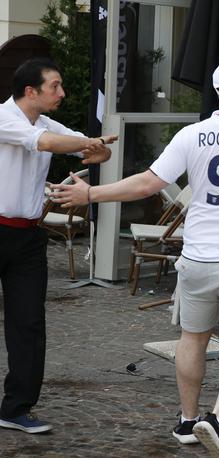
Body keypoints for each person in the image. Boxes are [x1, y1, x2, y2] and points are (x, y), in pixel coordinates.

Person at [51, 55, 219, 456]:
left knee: (192, 339)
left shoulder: (192, 135)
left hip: (197, 258)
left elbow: (148, 183)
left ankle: (187, 420)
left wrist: (91, 193)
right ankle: (217, 420)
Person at [0, 58, 116, 434]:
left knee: (29, 323)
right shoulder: (4, 118)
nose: (62, 93)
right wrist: (89, 143)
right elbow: (49, 144)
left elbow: (93, 153)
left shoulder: (46, 122)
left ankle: (16, 408)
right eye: (56, 86)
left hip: (28, 237)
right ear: (30, 91)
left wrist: (98, 150)